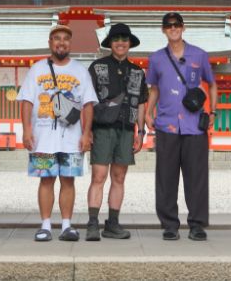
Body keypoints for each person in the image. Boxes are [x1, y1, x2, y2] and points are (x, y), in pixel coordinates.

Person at [19, 24, 98, 242]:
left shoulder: (79, 71)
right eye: (56, 38)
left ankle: (66, 225)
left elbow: (88, 104)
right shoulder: (37, 69)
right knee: (45, 180)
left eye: (65, 39)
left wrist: (86, 134)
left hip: (72, 137)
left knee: (68, 180)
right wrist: (26, 130)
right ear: (50, 43)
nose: (61, 42)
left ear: (70, 43)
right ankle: (45, 225)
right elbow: (26, 101)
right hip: (42, 136)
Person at [145, 12, 217, 241]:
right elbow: (154, 88)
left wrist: (213, 110)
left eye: (177, 25)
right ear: (163, 30)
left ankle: (196, 224)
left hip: (194, 124)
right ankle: (169, 225)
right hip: (167, 123)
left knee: (196, 177)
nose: (173, 29)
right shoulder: (156, 58)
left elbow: (212, 84)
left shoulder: (200, 55)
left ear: (183, 28)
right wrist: (148, 111)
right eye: (169, 26)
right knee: (166, 177)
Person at [85, 23, 147, 242]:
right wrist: (87, 130)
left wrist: (141, 133)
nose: (120, 42)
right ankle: (92, 223)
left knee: (119, 177)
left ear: (130, 43)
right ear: (110, 43)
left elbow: (141, 104)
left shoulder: (138, 72)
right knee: (99, 176)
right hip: (101, 129)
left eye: (124, 39)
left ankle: (113, 223)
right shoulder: (97, 67)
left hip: (126, 129)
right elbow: (88, 101)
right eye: (116, 39)